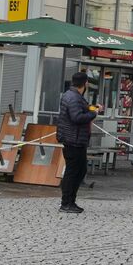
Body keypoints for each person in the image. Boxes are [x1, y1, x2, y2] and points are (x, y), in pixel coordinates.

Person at [55, 71, 102, 214]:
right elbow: (76, 117)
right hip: (73, 140)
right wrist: (94, 113)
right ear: (85, 83)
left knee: (80, 170)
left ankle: (70, 201)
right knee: (73, 172)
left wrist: (92, 108)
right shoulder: (74, 97)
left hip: (75, 139)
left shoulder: (71, 95)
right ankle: (66, 202)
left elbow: (80, 111)